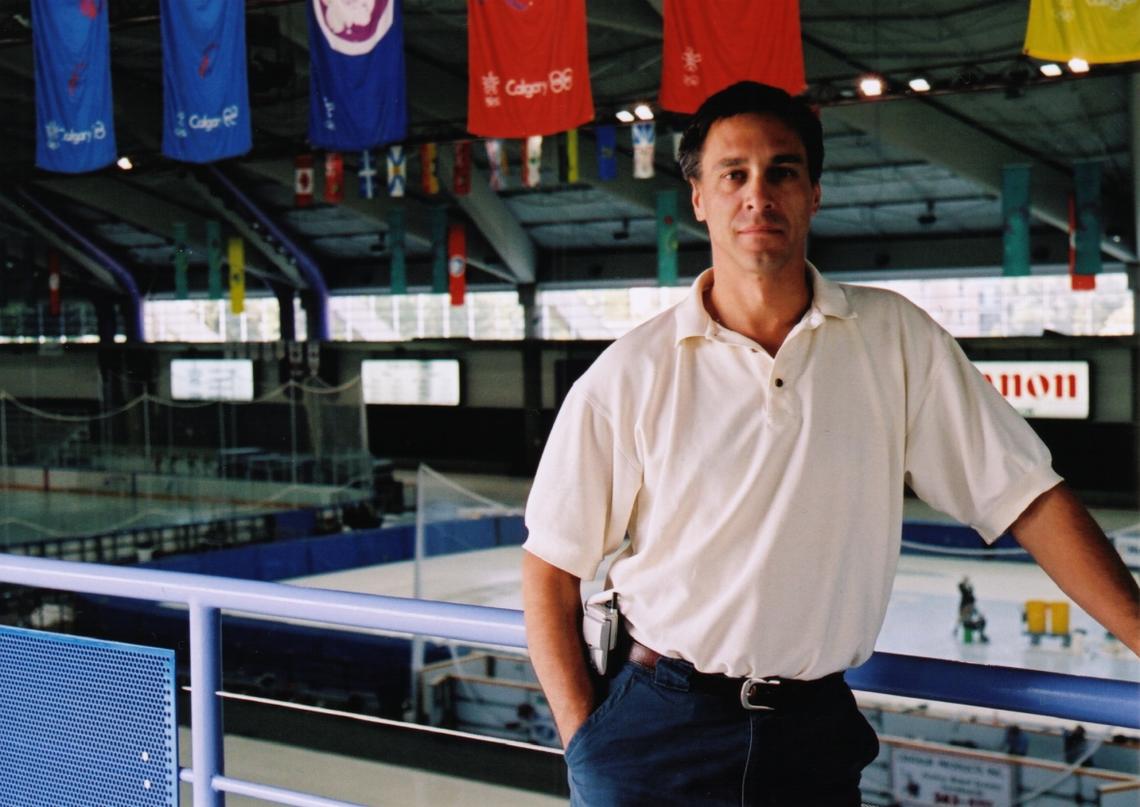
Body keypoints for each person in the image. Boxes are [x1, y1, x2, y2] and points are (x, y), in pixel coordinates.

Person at [521, 81, 1140, 806]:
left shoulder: (893, 340)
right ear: (698, 197)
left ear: (814, 192)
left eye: (782, 171)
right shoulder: (634, 371)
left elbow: (1026, 496)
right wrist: (585, 741)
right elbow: (551, 567)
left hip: (811, 736)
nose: (759, 194)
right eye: (734, 174)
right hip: (657, 727)